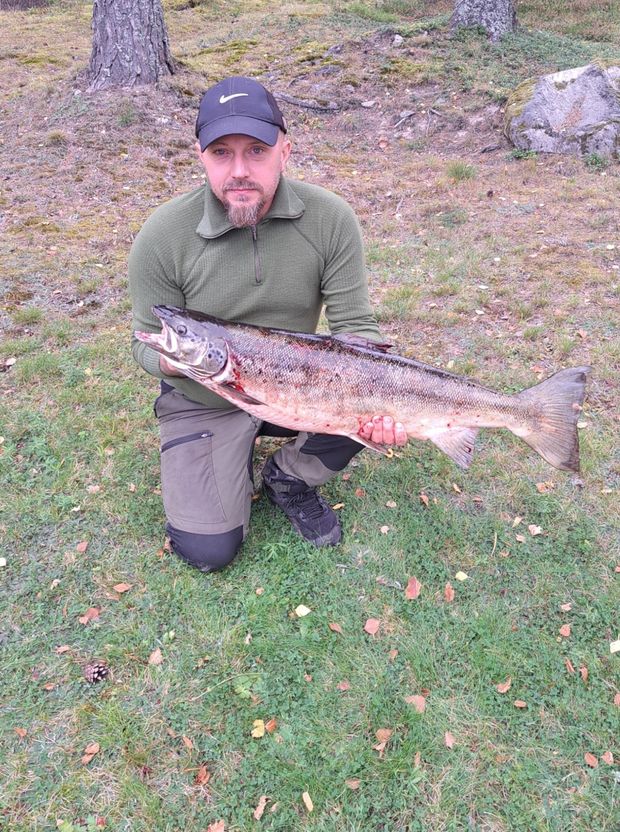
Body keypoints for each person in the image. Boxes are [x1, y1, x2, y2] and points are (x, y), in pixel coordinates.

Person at [129, 75, 406, 573]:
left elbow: (356, 325)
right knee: (209, 550)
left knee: (366, 396)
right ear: (201, 156)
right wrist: (174, 360)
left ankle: (289, 476)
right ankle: (223, 454)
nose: (239, 170)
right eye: (222, 153)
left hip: (304, 385)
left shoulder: (331, 219)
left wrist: (377, 399)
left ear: (285, 151)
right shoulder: (162, 235)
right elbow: (144, 343)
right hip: (204, 398)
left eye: (256, 151)